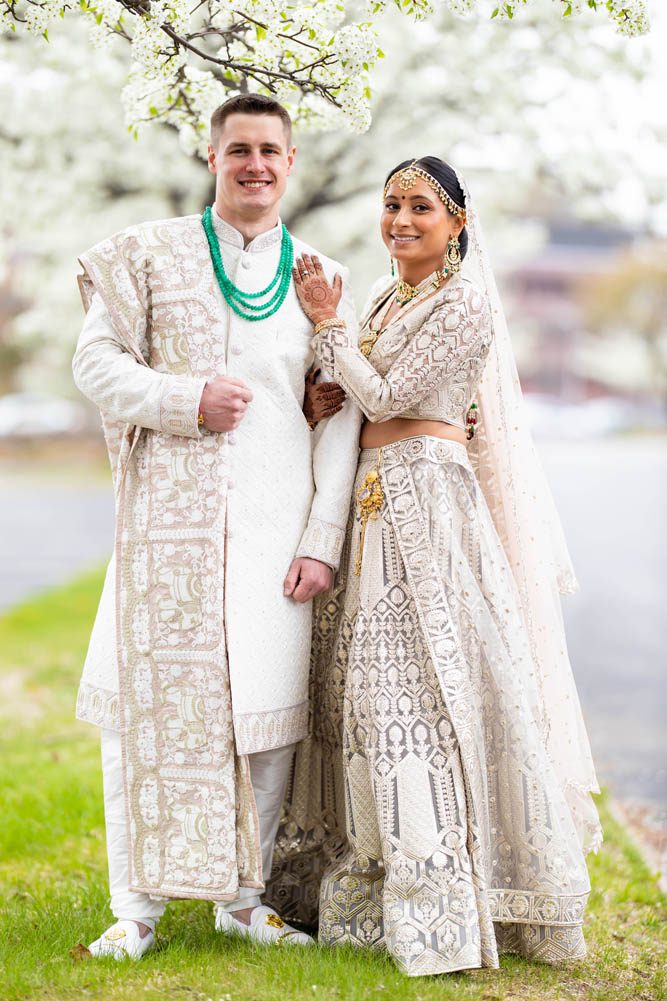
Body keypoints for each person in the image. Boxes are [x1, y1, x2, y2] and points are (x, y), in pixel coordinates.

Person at [267, 157, 602, 976]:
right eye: (391, 205)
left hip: (426, 501)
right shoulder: (389, 300)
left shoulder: (465, 303)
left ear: (457, 222)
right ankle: (361, 893)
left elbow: (388, 397)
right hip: (370, 500)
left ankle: (441, 906)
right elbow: (356, 395)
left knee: (413, 694)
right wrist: (323, 391)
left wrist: (326, 323)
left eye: (421, 206)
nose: (401, 219)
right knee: (359, 694)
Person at [71, 93, 361, 958]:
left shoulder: (320, 275)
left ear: (292, 160)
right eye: (239, 149)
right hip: (168, 531)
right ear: (211, 157)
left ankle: (244, 898)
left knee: (266, 720)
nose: (255, 166)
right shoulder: (148, 256)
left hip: (276, 528)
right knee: (142, 714)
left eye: (270, 151)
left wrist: (321, 538)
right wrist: (180, 398)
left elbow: (339, 415)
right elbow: (93, 361)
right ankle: (137, 910)